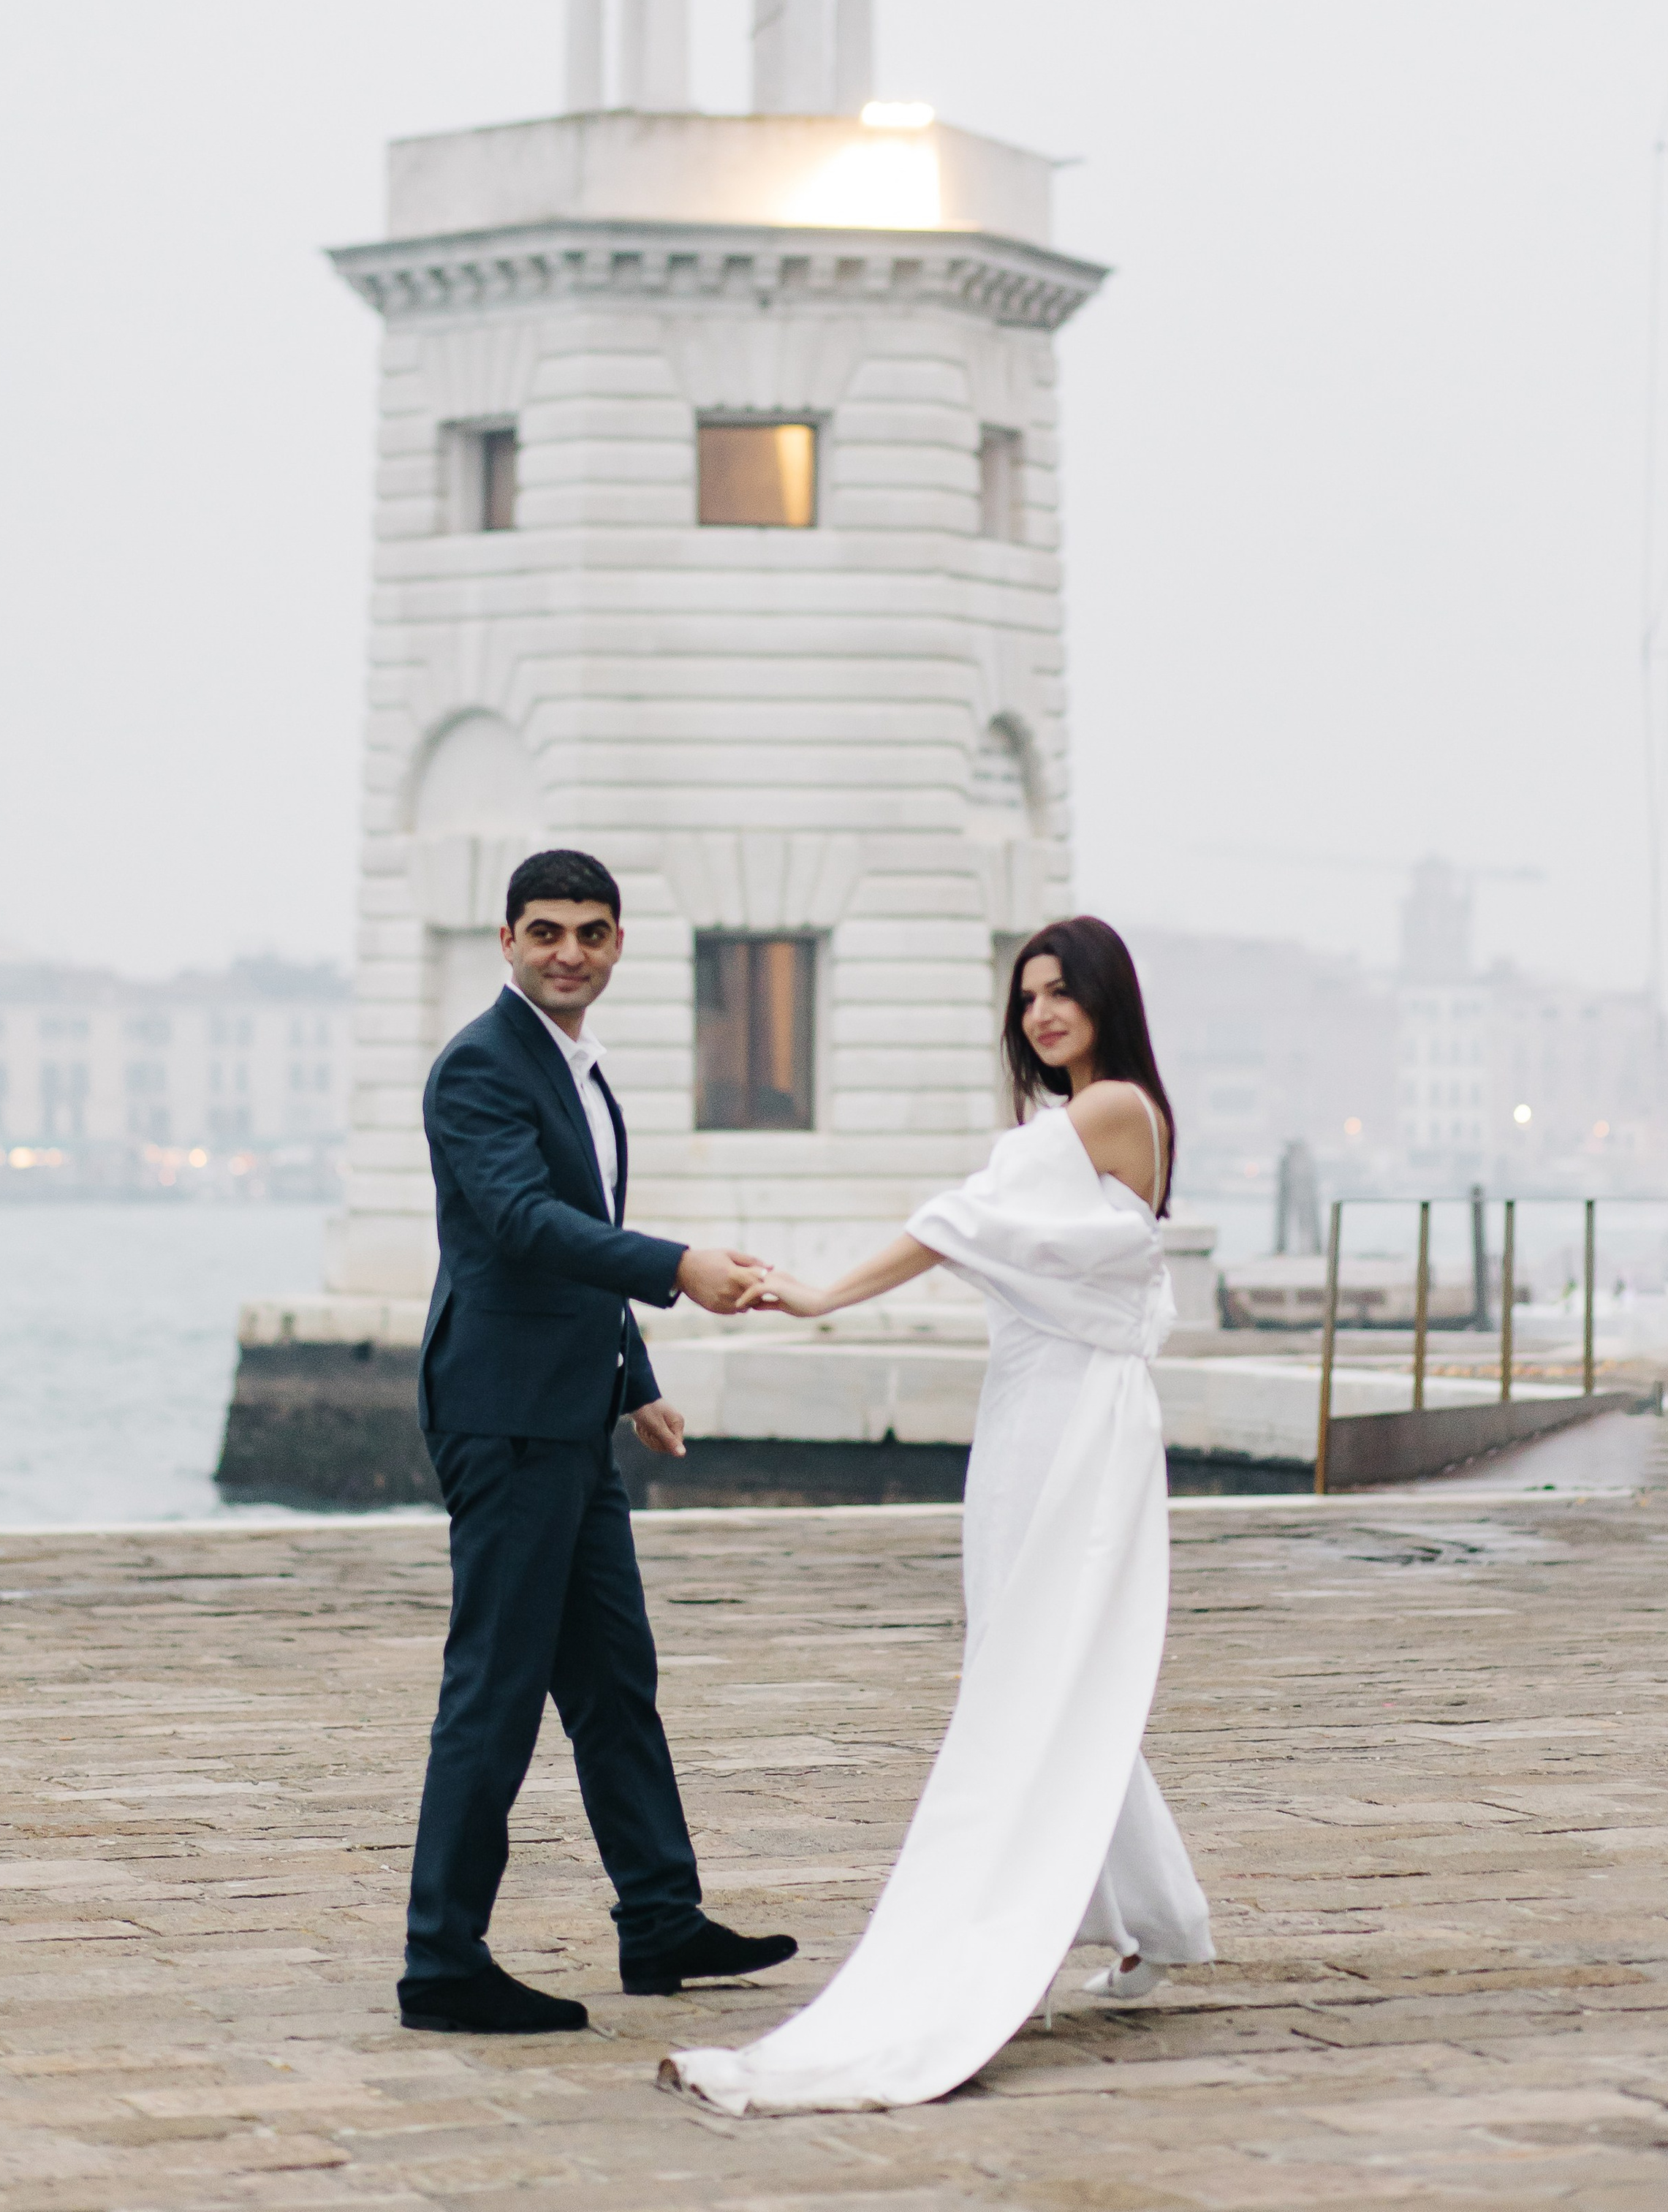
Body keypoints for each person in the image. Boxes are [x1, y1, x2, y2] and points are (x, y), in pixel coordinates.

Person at [664, 914, 1214, 2114]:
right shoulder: (1059, 1130)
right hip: (1028, 1413)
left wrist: (818, 1295)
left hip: (1077, 1425)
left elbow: (958, 1222)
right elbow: (983, 1226)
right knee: (1037, 1660)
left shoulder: (1114, 1111)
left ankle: (1041, 1916)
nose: (1041, 1014)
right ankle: (1161, 1919)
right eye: (1026, 999)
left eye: (1063, 993)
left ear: (1108, 1000)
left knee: (1040, 1667)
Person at [398, 846, 792, 2037]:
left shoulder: (574, 1063)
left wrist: (635, 1380)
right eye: (545, 932)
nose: (569, 951)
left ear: (618, 944)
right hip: (504, 1418)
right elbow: (525, 1224)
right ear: (506, 942)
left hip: (571, 1411)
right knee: (498, 1690)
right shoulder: (478, 1066)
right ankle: (441, 1962)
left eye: (591, 932)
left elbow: (579, 1238)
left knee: (616, 1681)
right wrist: (679, 1267)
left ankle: (661, 1921)